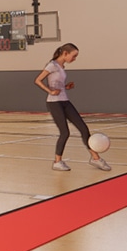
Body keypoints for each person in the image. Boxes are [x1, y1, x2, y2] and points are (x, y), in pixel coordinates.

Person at [34, 43, 109, 172]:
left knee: (83, 129)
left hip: (65, 100)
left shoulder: (61, 67)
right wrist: (50, 91)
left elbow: (57, 84)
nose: (74, 59)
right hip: (54, 102)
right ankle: (57, 162)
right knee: (65, 132)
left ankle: (95, 159)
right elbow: (38, 80)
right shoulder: (52, 65)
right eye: (73, 56)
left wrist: (65, 87)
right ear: (65, 53)